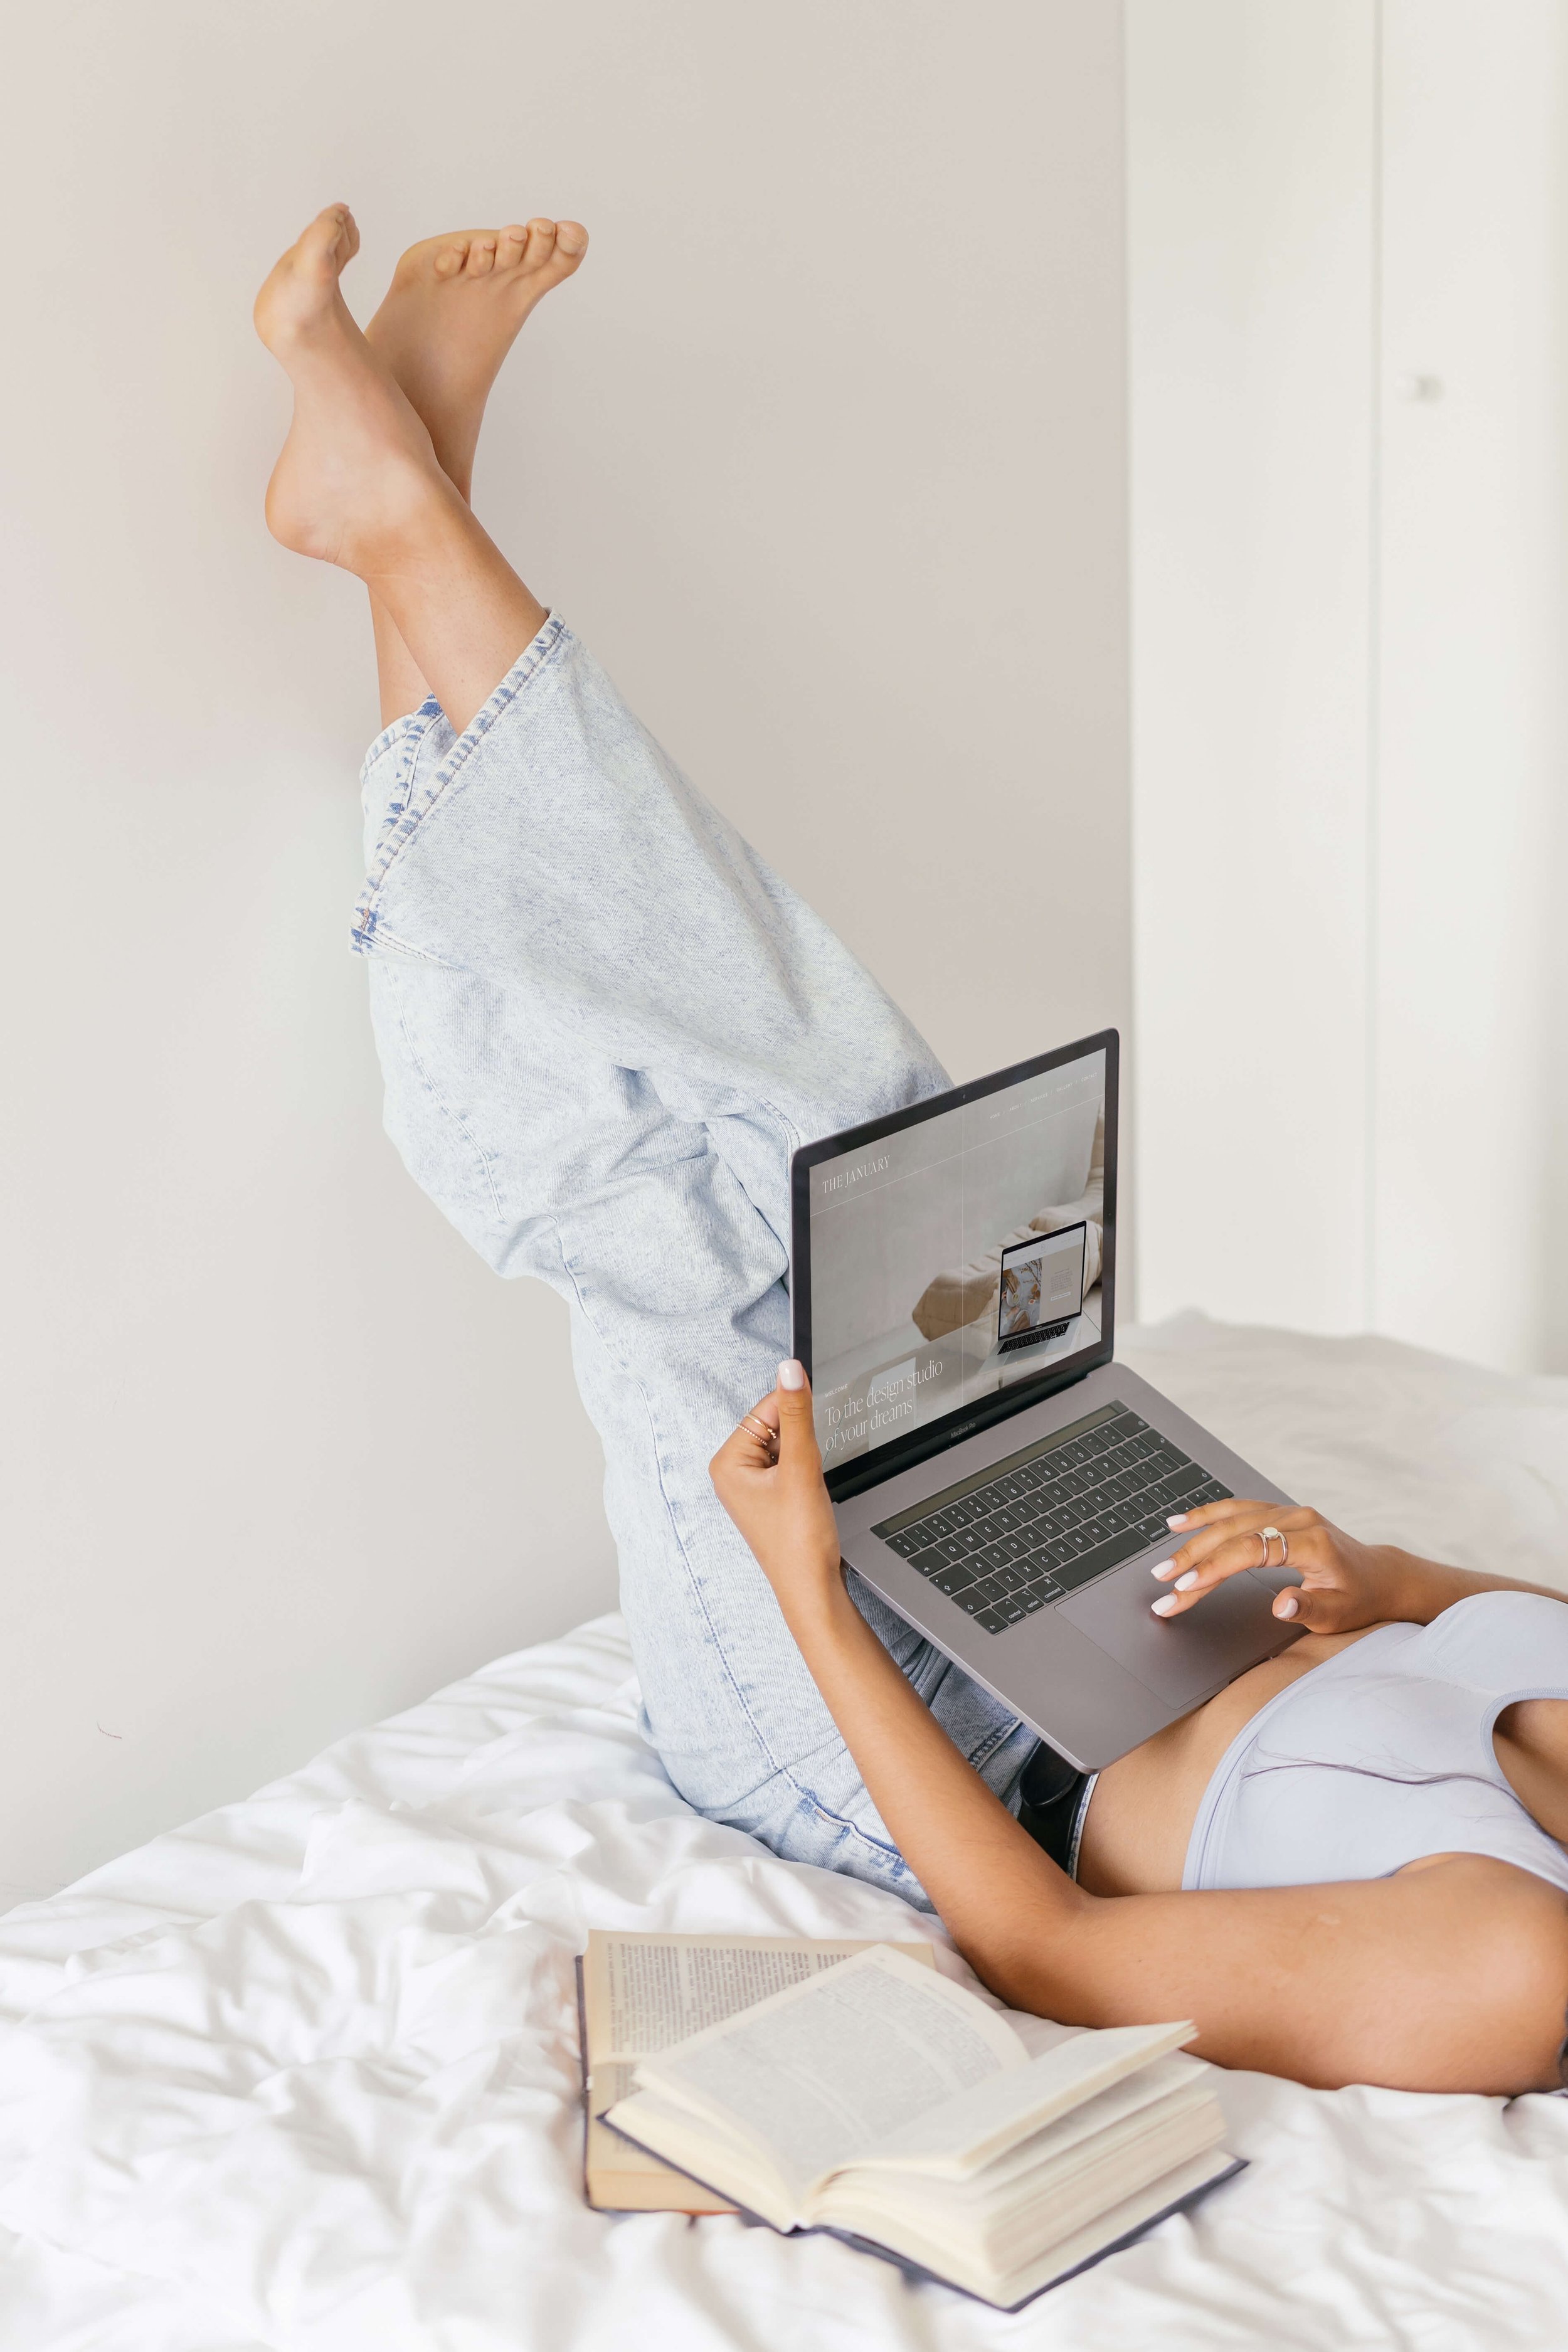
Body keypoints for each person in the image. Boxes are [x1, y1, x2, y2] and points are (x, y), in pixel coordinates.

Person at [255, 206, 1568, 2096]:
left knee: (645, 1214)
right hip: (1088, 1564)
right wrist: (1350, 1566)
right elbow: (1446, 1607)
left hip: (917, 1731)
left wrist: (804, 1578)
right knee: (855, 1135)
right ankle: (408, 502)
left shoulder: (1516, 1969)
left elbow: (1048, 1951)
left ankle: (407, 510)